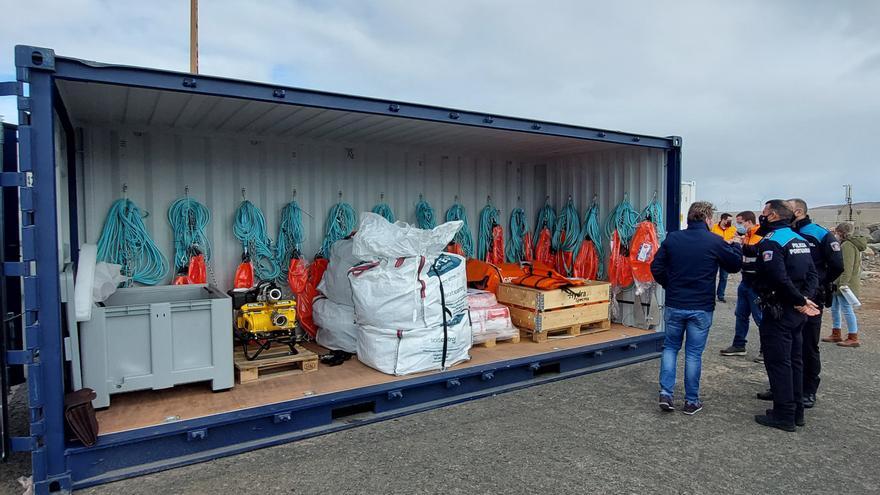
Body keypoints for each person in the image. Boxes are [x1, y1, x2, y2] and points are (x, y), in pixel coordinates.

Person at [651, 201, 743, 415]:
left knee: (671, 348)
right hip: (701, 307)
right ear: (708, 219)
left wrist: (669, 284)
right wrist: (736, 246)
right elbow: (734, 265)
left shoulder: (673, 239)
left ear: (690, 217)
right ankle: (691, 401)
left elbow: (656, 267)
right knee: (693, 353)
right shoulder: (715, 241)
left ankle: (666, 393)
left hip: (675, 303)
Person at [752, 200, 819, 432]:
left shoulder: (772, 242)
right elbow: (812, 275)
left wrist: (800, 301)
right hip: (797, 310)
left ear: (772, 216)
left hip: (780, 310)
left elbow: (779, 278)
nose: (762, 217)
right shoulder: (800, 240)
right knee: (795, 360)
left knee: (779, 362)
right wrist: (804, 300)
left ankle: (784, 415)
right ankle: (796, 410)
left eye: (764, 213)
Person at [785, 199, 844, 407]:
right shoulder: (786, 232)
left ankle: (808, 389)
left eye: (788, 209)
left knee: (808, 343)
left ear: (798, 211)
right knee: (786, 343)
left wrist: (819, 284)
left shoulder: (819, 233)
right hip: (788, 297)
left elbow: (837, 265)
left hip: (811, 298)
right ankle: (784, 387)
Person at [719, 211, 763, 357]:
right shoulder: (747, 236)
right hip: (745, 281)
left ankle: (766, 350)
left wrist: (739, 244)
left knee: (760, 317)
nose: (738, 226)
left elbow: (756, 252)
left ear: (748, 221)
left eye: (740, 222)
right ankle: (739, 345)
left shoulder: (760, 235)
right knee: (741, 314)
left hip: (757, 283)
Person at [823, 222, 867, 348]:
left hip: (844, 284)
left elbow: (846, 267)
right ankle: (836, 332)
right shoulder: (847, 244)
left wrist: (843, 284)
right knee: (835, 307)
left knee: (847, 309)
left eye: (836, 232)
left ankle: (853, 336)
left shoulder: (847, 246)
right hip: (838, 282)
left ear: (841, 233)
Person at [711, 213, 736, 302]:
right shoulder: (714, 228)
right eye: (729, 220)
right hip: (715, 255)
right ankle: (710, 295)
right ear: (723, 220)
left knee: (724, 277)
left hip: (726, 255)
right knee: (712, 276)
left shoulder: (733, 229)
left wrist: (732, 241)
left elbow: (735, 239)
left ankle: (721, 295)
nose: (730, 222)